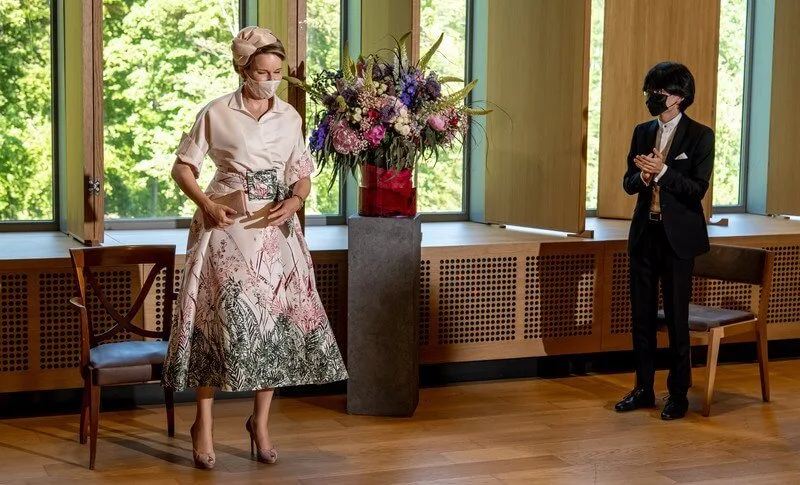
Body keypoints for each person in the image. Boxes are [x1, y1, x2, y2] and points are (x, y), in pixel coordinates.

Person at [162, 26, 348, 469]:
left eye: (277, 72)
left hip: (276, 230)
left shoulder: (290, 117)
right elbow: (182, 167)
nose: (270, 79)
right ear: (242, 69)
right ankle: (202, 423)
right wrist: (206, 203)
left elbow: (301, 170)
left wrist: (297, 199)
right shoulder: (216, 113)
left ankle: (260, 422)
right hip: (225, 226)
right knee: (219, 319)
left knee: (274, 323)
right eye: (261, 71)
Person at [615, 62, 714, 420]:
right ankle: (643, 388)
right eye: (649, 92)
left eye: (658, 93)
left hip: (679, 240)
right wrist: (643, 175)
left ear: (680, 97)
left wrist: (665, 172)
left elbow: (697, 190)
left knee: (676, 317)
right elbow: (628, 184)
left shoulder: (700, 136)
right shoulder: (642, 131)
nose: (651, 99)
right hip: (645, 234)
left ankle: (678, 394)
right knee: (640, 317)